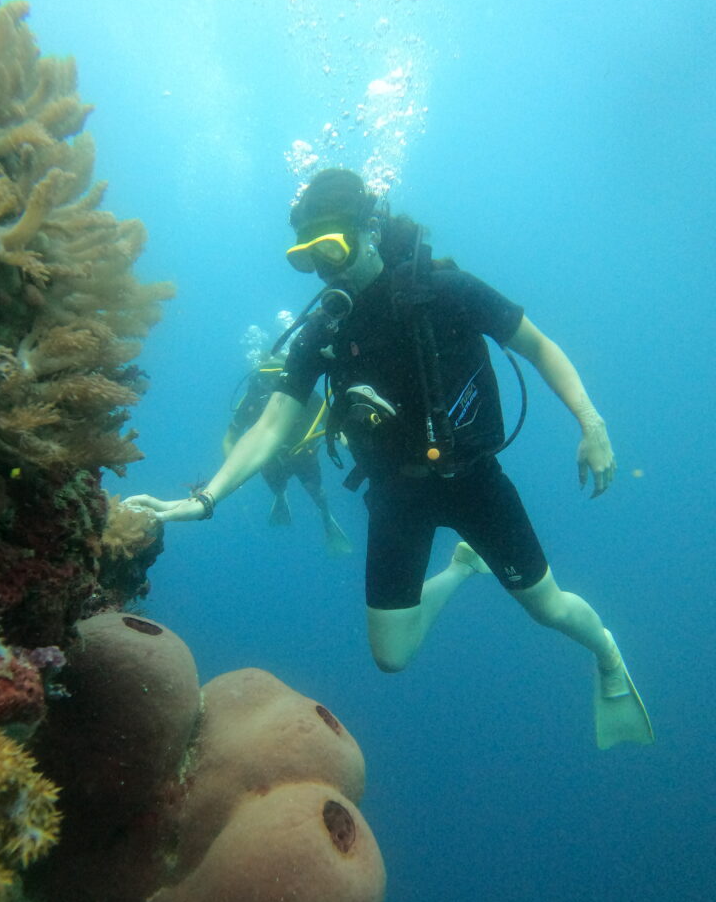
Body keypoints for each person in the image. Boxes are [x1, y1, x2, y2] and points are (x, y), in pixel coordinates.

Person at [126, 168, 653, 750]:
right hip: (396, 495)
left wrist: (592, 424)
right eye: (305, 257)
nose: (323, 268)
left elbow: (538, 346)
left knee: (547, 608)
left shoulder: (444, 290)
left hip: (473, 479)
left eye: (331, 247)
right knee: (392, 655)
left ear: (368, 230)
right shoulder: (324, 329)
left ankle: (606, 654)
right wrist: (205, 499)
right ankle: (461, 566)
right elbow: (273, 425)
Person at [223, 352, 352, 554]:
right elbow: (334, 427)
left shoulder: (257, 399)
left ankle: (297, 503)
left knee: (309, 489)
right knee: (314, 490)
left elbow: (229, 440)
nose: (271, 385)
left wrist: (231, 471)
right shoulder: (261, 398)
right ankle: (309, 508)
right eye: (266, 380)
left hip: (286, 456)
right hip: (291, 456)